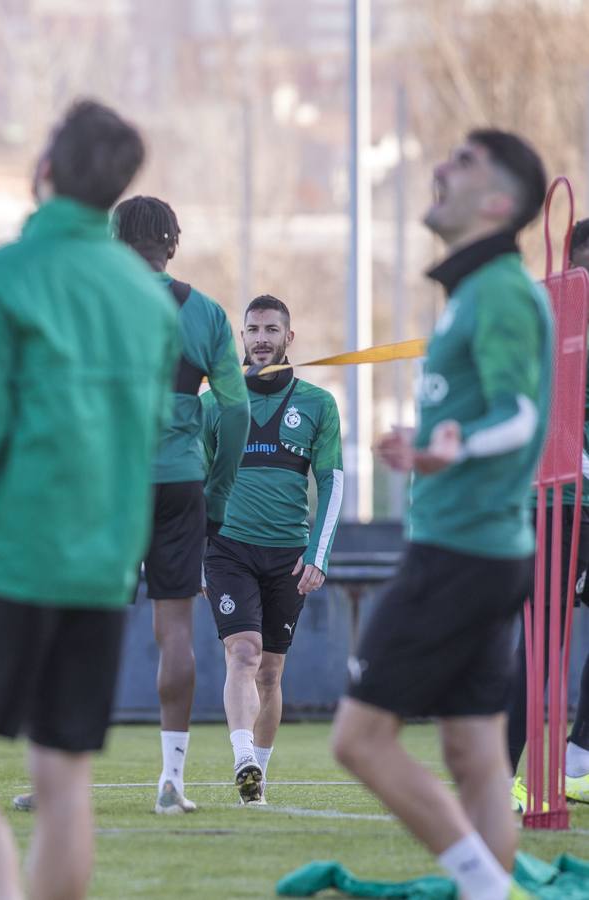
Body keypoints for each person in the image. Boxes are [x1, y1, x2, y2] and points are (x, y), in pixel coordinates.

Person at [0, 100, 175, 900]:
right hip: (100, 568)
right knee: (65, 783)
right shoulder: (149, 298)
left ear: (43, 172)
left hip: (4, 557)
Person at [332, 129, 550, 900]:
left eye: (461, 164)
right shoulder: (476, 290)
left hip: (459, 555)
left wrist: (451, 451)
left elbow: (521, 415)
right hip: (483, 552)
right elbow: (476, 417)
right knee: (475, 756)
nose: (437, 168)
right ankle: (488, 890)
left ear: (497, 203)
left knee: (358, 740)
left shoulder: (498, 291)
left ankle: (487, 887)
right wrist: (425, 444)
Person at [115, 195, 250, 814]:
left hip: (106, 485)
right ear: (173, 243)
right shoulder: (209, 314)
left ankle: (52, 776)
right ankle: (172, 781)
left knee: (80, 628)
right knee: (175, 632)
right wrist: (216, 491)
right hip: (179, 483)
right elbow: (237, 409)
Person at [202, 294, 343, 805]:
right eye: (252, 329)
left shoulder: (318, 404)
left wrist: (318, 554)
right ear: (242, 338)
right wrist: (198, 550)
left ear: (289, 337)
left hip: (289, 555)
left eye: (270, 329)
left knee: (270, 671)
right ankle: (242, 757)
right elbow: (194, 483)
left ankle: (256, 778)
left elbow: (333, 482)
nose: (260, 338)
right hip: (229, 549)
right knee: (242, 653)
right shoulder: (215, 401)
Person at [507, 216, 589, 811]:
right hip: (552, 502)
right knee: (537, 646)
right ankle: (504, 772)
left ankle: (578, 758)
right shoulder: (540, 308)